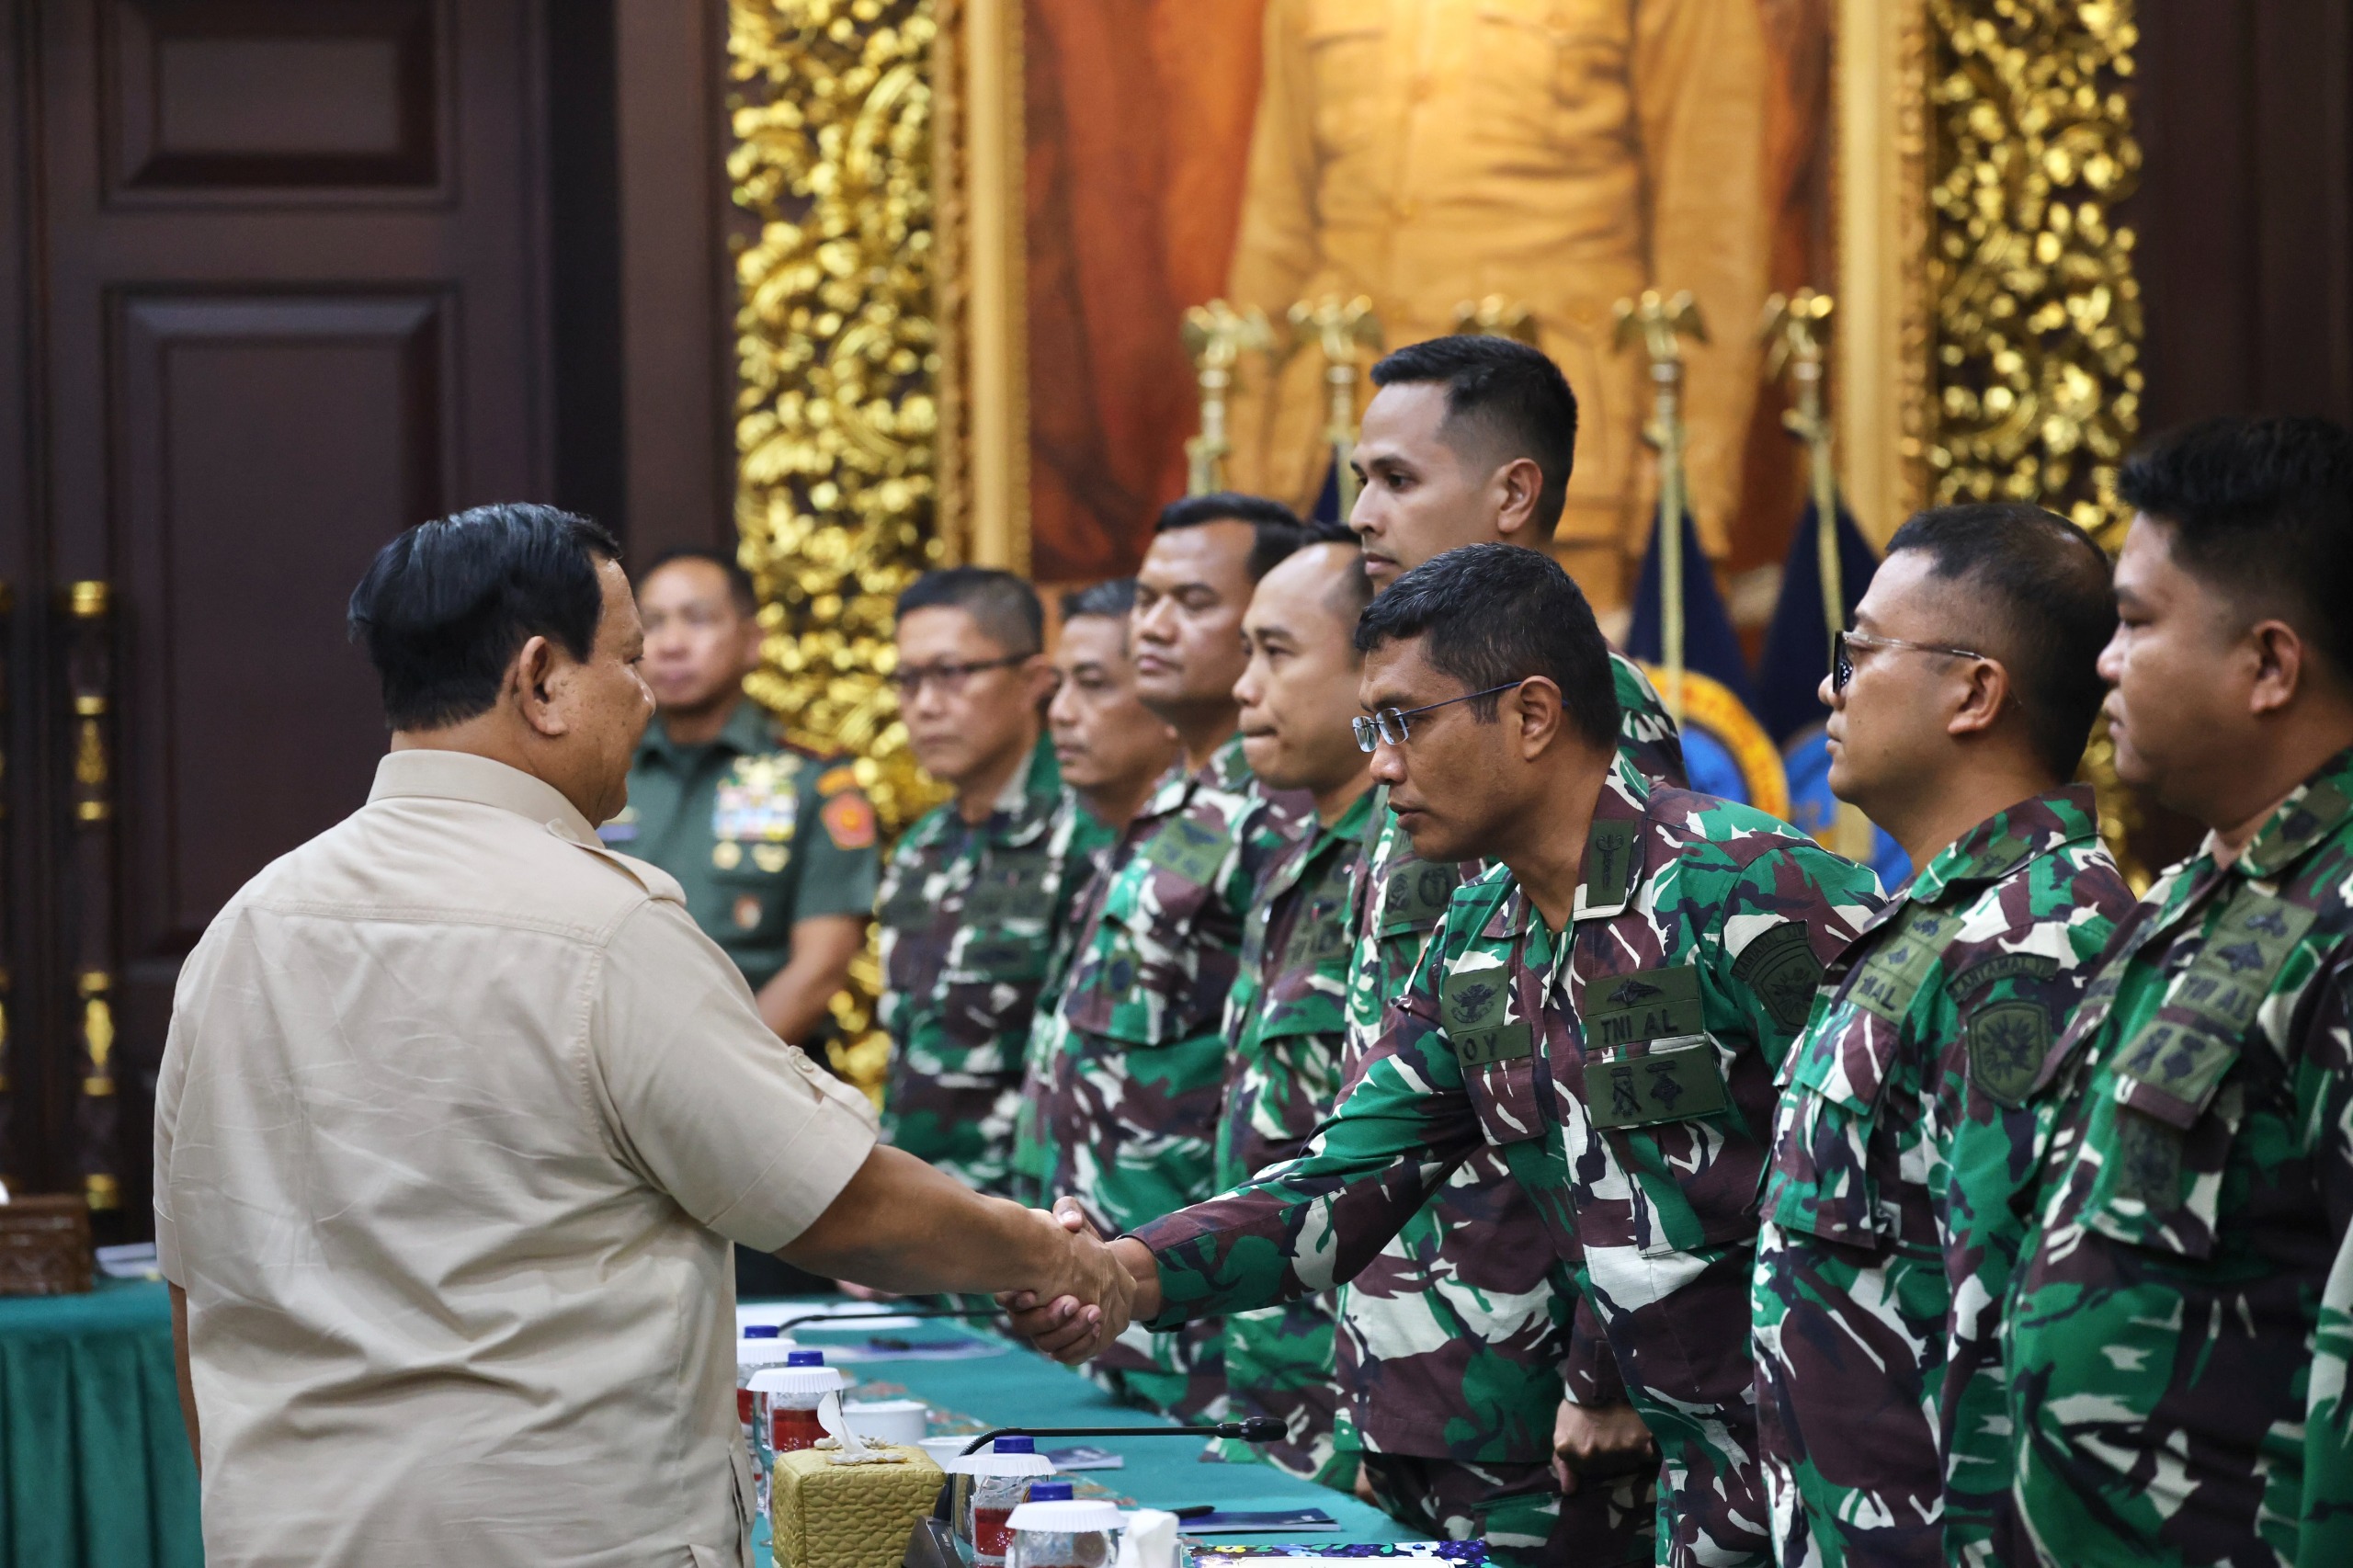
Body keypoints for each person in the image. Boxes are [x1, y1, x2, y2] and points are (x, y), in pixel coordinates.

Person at [154, 505, 1130, 1568]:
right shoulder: (602, 926)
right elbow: (835, 1203)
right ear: (541, 678)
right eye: (626, 658)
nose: (648, 692)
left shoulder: (244, 926)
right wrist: (1049, 1253)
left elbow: (195, 1290)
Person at [1015, 544, 1884, 1568]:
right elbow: (1343, 1181)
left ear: (1528, 713)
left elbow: (1917, 1173)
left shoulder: (1747, 886)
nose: (1381, 764)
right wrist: (1120, 1271)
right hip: (1689, 1488)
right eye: (1370, 728)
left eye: (1404, 723)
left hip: (1851, 1469)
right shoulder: (1480, 937)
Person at [1340, 334, 1679, 1562]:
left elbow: (1633, 1080)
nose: (1361, 513)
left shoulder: (1583, 716)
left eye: (1393, 478)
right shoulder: (1421, 715)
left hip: (1534, 1390)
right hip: (1418, 1357)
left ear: (1513, 494)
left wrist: (1609, 1364)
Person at [1747, 504, 2133, 1567]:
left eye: (1860, 650)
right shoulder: (1940, 916)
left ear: (1972, 690)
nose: (1829, 685)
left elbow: (2011, 1339)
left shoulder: (2033, 946)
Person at [2005, 416, 2353, 1567]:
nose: (2104, 659)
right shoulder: (2197, 895)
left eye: (2137, 621)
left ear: (2267, 663)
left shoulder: (2339, 925)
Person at [1221, 0, 1768, 603]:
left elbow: (1711, 233)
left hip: (1548, 472)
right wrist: (1246, 491)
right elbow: (1278, 235)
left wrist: (1687, 503)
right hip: (1336, 456)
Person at [1033, 492, 1314, 1418]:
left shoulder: (1286, 813)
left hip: (1216, 1317)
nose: (1150, 625)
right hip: (1116, 1298)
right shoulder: (1172, 805)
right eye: (1147, 599)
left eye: (1191, 602)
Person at [1211, 529, 1378, 1488]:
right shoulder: (1290, 857)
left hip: (1378, 1389)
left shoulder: (1417, 859)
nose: (1244, 686)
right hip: (1268, 1373)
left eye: (1275, 653)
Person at [608, 549, 874, 1051]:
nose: (672, 644)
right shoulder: (602, 769)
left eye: (699, 619)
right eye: (654, 624)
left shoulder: (813, 781)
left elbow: (820, 969)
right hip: (606, 1068)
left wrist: (719, 1074)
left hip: (764, 1073)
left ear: (753, 641)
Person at [876, 568, 1078, 1197]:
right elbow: (909, 1050)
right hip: (923, 1222)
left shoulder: (1084, 834)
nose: (926, 704)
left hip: (1037, 1227)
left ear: (1032, 682)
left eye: (952, 673)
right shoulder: (921, 850)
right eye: (908, 680)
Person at [1010, 578, 1183, 1202]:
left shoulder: (1223, 850)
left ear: (1167, 698)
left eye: (1094, 684)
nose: (1059, 712)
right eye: (1059, 687)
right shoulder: (1108, 850)